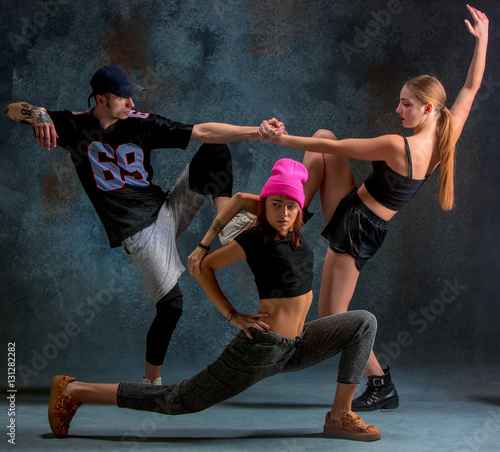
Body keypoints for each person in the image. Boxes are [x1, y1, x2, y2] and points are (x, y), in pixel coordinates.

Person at [48, 159, 381, 442]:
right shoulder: (258, 236)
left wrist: (278, 198)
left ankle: (339, 415)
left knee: (363, 322)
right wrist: (230, 309)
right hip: (261, 348)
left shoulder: (292, 227)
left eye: (290, 205)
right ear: (265, 206)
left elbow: (240, 198)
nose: (283, 211)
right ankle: (75, 390)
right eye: (275, 204)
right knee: (178, 399)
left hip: (297, 346)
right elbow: (204, 268)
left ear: (298, 210)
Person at [257, 5, 489, 411]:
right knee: (322, 134)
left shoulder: (399, 146)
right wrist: (484, 38)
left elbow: (337, 149)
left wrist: (280, 142)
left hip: (358, 228)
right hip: (353, 206)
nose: (398, 110)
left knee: (333, 313)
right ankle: (287, 224)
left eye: (406, 105)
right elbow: (469, 89)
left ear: (428, 109)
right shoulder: (446, 134)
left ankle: (382, 384)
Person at [3, 65, 285, 386]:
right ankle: (151, 384)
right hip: (139, 231)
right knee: (171, 306)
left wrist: (256, 131)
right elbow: (10, 110)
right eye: (123, 99)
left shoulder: (142, 124)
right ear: (101, 99)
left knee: (214, 151)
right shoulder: (72, 125)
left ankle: (228, 226)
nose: (131, 105)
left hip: (166, 208)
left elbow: (203, 132)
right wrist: (40, 113)